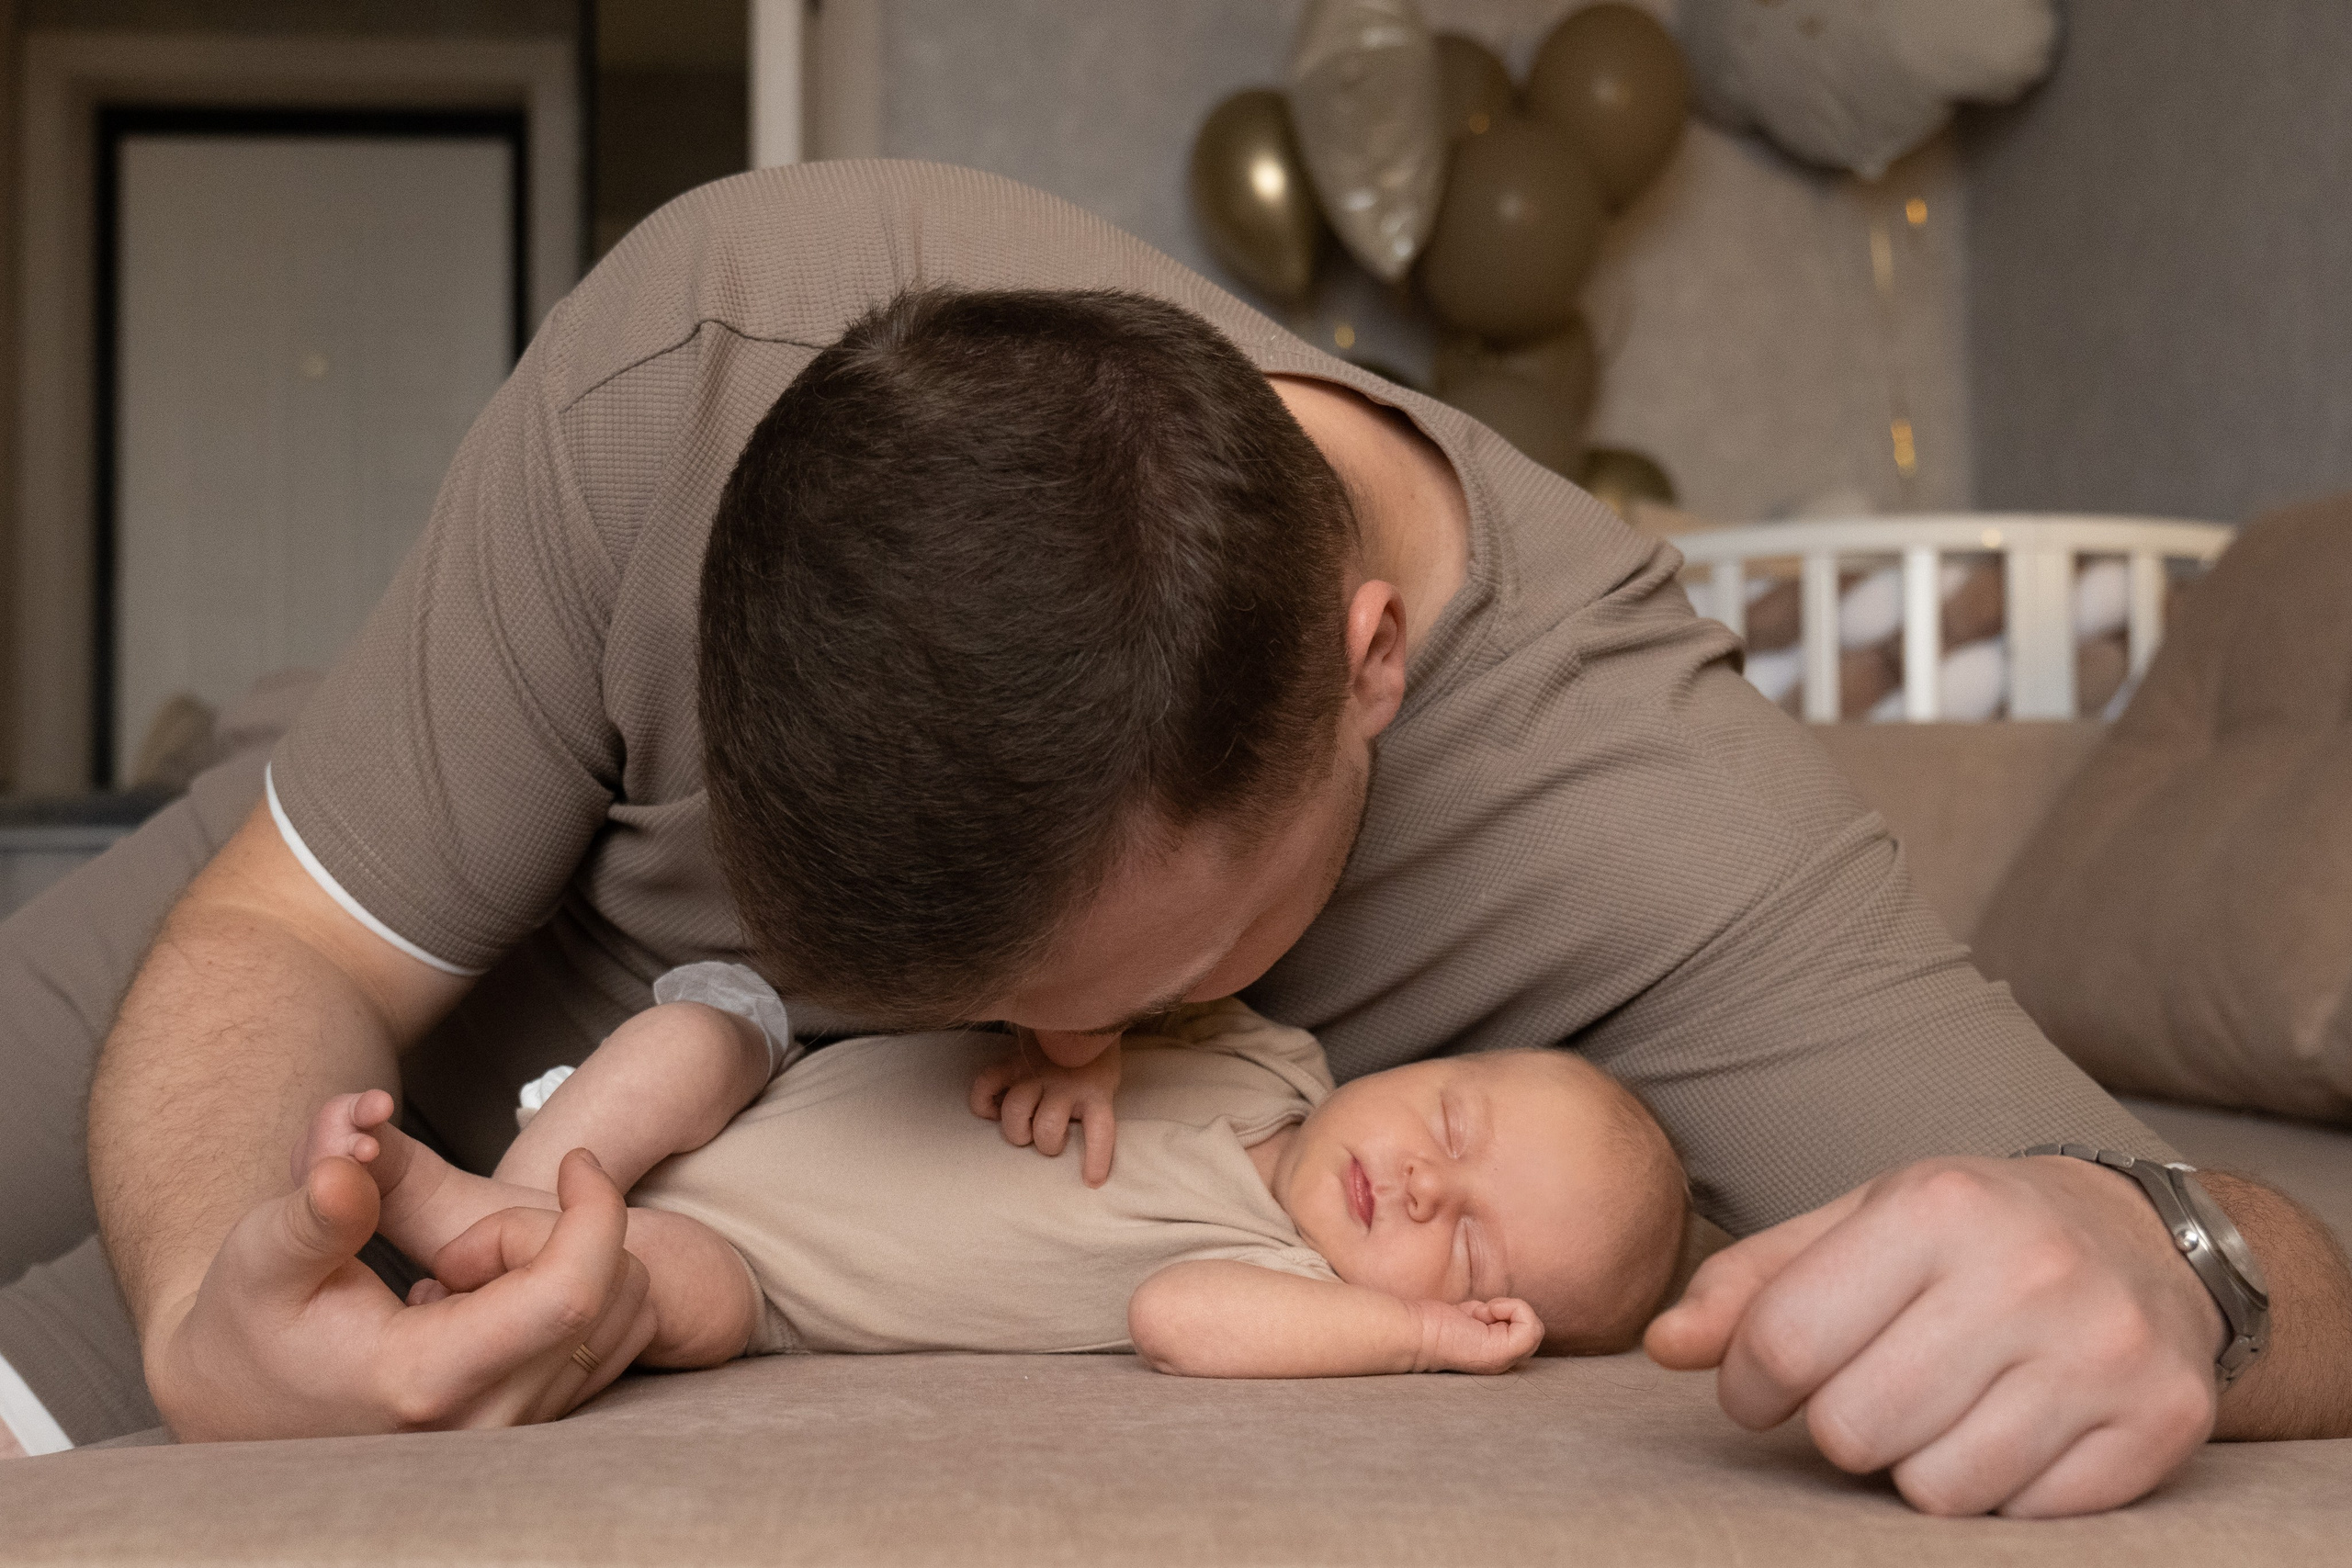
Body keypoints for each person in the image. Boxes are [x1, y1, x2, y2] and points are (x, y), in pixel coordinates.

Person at [0, 164, 2344, 1515]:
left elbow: (2266, 1263)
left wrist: (2168, 1260)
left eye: (1106, 978)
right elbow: (289, 925)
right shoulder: (696, 353)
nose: (1038, 1057)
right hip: (264, 1003)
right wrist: (213, 1263)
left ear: (1368, 664)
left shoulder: (1653, 822)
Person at [277, 976, 1686, 1382]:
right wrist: (1087, 1049)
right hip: (755, 1091)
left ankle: (457, 1220)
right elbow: (1097, 965)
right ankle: (499, 1198)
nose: (1432, 1190)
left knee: (653, 1293)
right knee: (698, 1029)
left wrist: (1417, 1336)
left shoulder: (1296, 1282)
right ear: (1428, 1063)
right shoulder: (1273, 1055)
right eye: (1455, 1121)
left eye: (1476, 1261)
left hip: (773, 1289)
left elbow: (1174, 1325)